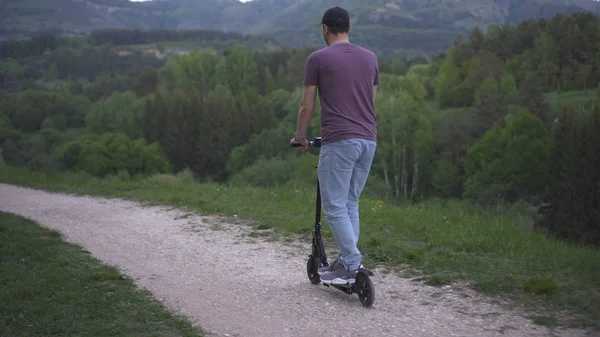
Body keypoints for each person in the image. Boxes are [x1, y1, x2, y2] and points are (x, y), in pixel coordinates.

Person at [290, 6, 379, 285]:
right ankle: (345, 261)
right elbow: (370, 102)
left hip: (340, 140)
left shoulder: (317, 59)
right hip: (368, 140)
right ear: (349, 28)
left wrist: (299, 138)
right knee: (350, 203)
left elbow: (307, 106)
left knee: (334, 206)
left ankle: (352, 264)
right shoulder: (371, 58)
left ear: (325, 29)